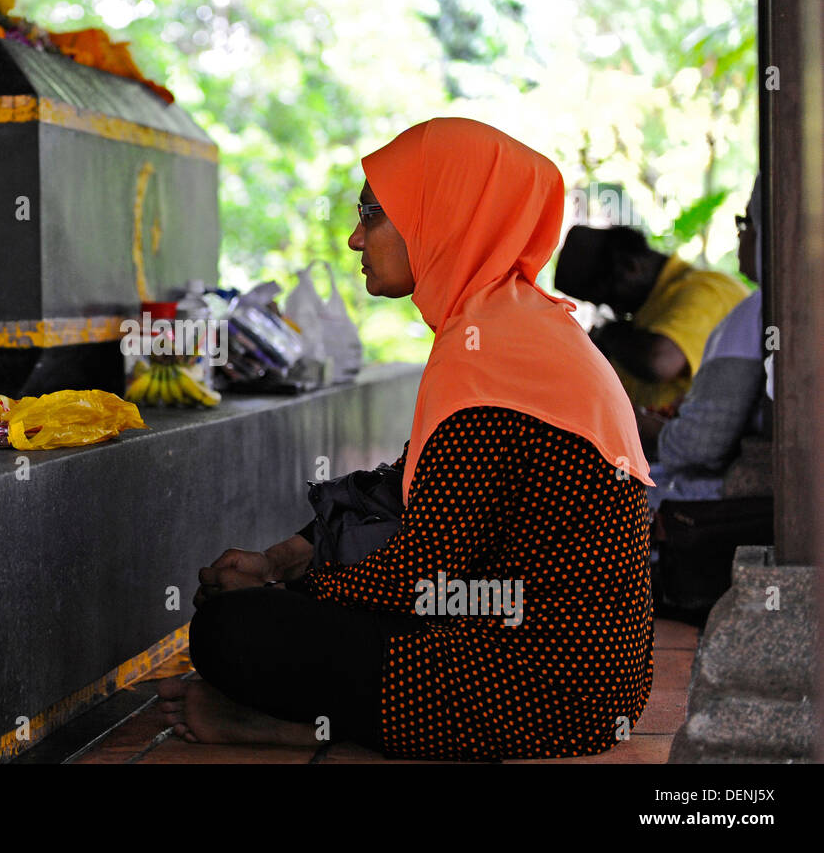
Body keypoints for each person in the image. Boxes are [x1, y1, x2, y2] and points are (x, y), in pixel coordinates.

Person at [159, 118, 657, 761]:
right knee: (287, 610)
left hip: (544, 687)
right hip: (586, 678)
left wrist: (282, 595)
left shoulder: (492, 355)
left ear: (444, 215)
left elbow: (425, 576)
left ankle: (308, 726)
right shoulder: (512, 328)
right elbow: (403, 492)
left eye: (374, 214)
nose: (354, 238)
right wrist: (283, 560)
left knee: (231, 632)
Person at [646, 177, 767, 508]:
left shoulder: (759, 312)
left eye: (746, 222)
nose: (740, 232)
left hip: (732, 502)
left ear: (766, 231)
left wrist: (650, 428)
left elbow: (701, 443)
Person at [554, 224, 749, 418]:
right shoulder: (645, 319)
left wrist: (608, 334)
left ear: (630, 267)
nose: (614, 310)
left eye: (609, 299)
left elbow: (660, 361)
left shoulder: (704, 290)